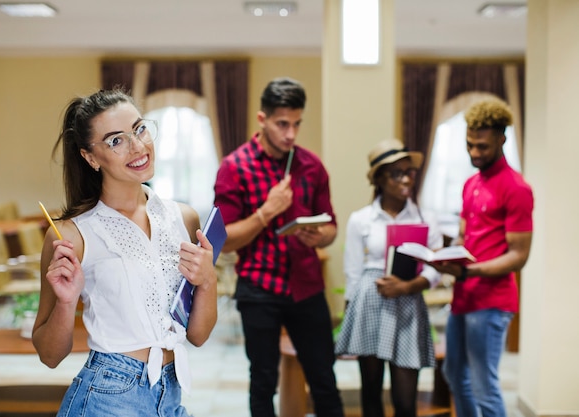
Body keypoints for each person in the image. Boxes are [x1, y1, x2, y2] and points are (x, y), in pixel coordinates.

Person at [32, 88, 218, 417]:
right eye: (116, 140)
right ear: (90, 157)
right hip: (108, 397)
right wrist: (65, 302)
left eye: (139, 129)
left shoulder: (183, 218)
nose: (137, 146)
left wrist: (208, 280)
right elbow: (49, 355)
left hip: (169, 393)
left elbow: (198, 336)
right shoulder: (71, 236)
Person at [213, 77, 344, 417]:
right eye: (282, 124)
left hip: (307, 286)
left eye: (297, 124)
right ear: (262, 119)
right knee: (263, 381)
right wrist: (265, 213)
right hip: (258, 288)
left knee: (324, 380)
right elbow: (223, 240)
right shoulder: (234, 168)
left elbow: (331, 226)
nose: (290, 134)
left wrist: (321, 236)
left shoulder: (311, 166)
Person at [431, 98, 534, 417]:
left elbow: (518, 256)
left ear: (502, 139)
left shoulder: (516, 188)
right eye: (470, 145)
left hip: (492, 301)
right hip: (464, 296)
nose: (475, 153)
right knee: (453, 375)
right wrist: (447, 258)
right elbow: (464, 237)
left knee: (482, 384)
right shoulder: (470, 184)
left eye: (483, 147)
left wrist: (469, 271)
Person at [334, 138, 444, 417]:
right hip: (370, 303)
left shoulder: (426, 218)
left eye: (410, 172)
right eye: (398, 173)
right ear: (380, 180)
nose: (407, 179)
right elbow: (353, 272)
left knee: (405, 399)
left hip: (408, 305)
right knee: (371, 391)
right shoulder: (362, 219)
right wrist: (350, 317)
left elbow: (435, 267)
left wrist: (410, 285)